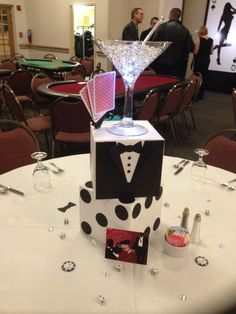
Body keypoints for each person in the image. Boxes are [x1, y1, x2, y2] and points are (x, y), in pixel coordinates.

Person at [152, 8, 194, 79]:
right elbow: (191, 47)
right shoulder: (185, 30)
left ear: (170, 15)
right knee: (174, 87)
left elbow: (154, 44)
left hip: (160, 65)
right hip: (177, 67)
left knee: (160, 86)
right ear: (179, 16)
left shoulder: (161, 27)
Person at [193, 26, 213, 100]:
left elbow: (196, 52)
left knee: (197, 77)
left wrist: (192, 50)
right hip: (206, 60)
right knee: (203, 77)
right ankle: (201, 95)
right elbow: (211, 52)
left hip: (199, 60)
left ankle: (195, 95)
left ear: (200, 32)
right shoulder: (211, 40)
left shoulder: (199, 40)